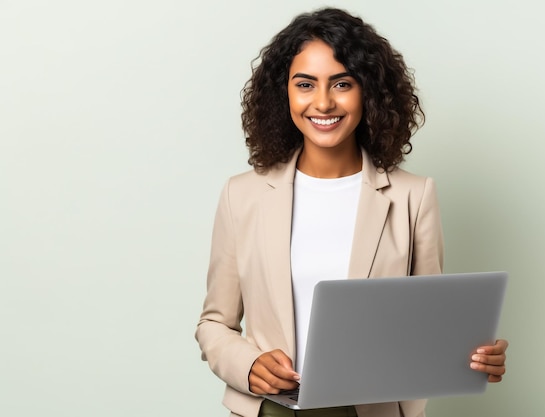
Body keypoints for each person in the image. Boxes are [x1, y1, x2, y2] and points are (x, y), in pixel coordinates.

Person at [195, 7, 508, 417]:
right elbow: (214, 323)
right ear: (283, 93)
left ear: (369, 92)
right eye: (305, 84)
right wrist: (248, 364)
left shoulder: (414, 196)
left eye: (342, 83)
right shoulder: (243, 195)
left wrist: (477, 357)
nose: (322, 102)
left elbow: (428, 327)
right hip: (269, 410)